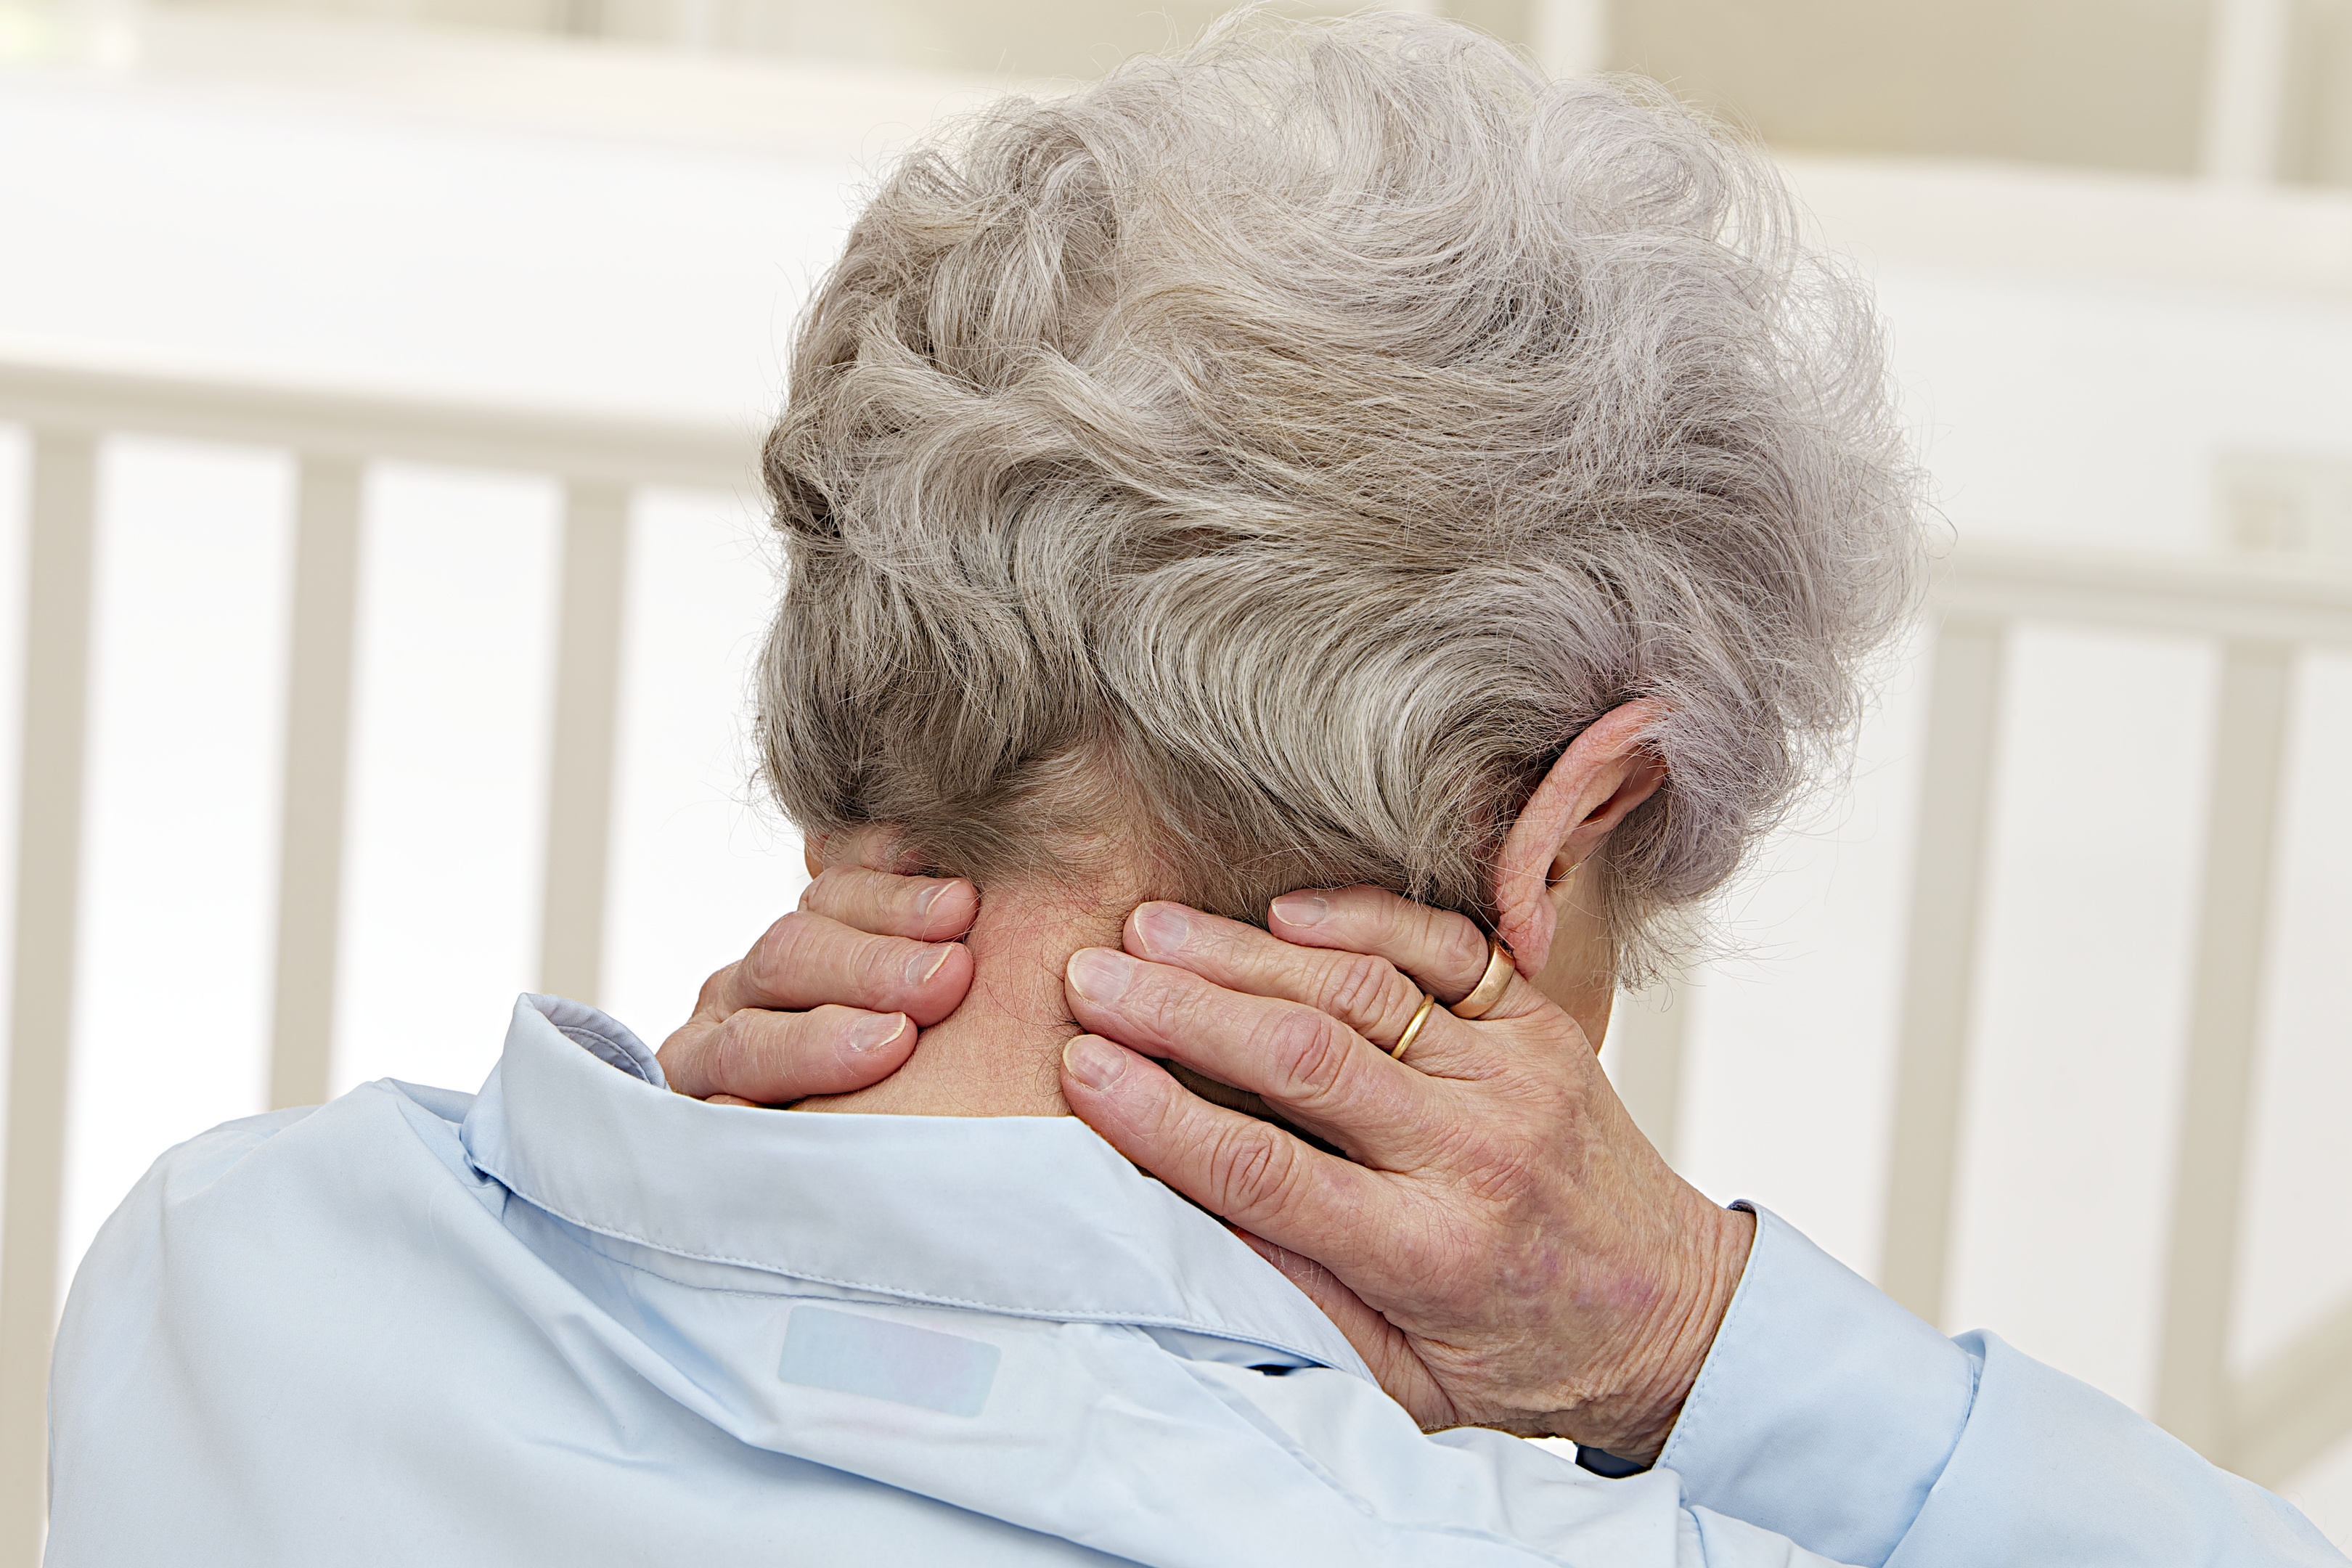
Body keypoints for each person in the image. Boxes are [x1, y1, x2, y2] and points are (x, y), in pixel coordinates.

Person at [44, 13, 2339, 1567]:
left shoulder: (231, 1279)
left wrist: (759, 1192)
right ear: (1558, 850)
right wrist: (1692, 1339)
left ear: (880, 657)